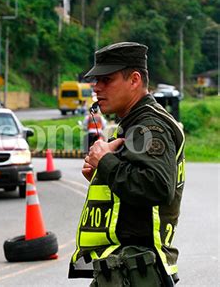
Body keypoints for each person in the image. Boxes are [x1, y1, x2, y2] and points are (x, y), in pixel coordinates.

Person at [68, 42, 185, 286]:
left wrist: (106, 161)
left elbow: (157, 187)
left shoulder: (149, 126)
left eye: (106, 80)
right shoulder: (133, 123)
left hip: (138, 270)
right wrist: (103, 174)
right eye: (96, 81)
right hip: (126, 268)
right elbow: (137, 187)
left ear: (134, 80)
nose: (97, 88)